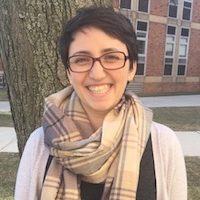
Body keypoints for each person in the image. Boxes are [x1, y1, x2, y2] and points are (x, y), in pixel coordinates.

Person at [15, 6, 187, 200]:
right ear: (69, 73)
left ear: (131, 68)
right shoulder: (39, 144)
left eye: (111, 57)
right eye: (81, 59)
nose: (97, 74)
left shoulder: (163, 144)